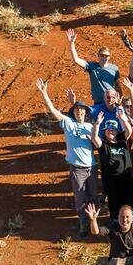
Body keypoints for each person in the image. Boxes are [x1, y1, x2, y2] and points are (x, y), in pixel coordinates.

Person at [36, 78, 95, 237]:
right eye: (77, 110)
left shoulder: (90, 127)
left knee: (92, 196)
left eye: (82, 110)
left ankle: (93, 222)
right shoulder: (68, 123)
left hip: (92, 167)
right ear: (74, 113)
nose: (80, 112)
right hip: (77, 168)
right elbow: (54, 111)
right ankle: (83, 223)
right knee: (80, 198)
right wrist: (44, 93)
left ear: (85, 112)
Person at [90, 113, 133, 219]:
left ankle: (132, 222)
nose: (111, 131)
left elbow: (129, 131)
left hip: (126, 179)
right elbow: (94, 137)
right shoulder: (103, 144)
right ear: (105, 131)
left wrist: (123, 119)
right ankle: (115, 223)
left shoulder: (122, 141)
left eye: (113, 129)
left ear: (117, 131)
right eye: (108, 129)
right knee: (115, 204)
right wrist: (97, 123)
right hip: (112, 181)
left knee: (129, 202)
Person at [66, 29, 120, 105]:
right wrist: (72, 43)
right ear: (98, 56)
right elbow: (76, 60)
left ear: (109, 57)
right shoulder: (92, 66)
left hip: (112, 101)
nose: (104, 57)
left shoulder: (114, 68)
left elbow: (117, 85)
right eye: (102, 55)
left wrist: (120, 100)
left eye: (106, 56)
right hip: (99, 102)